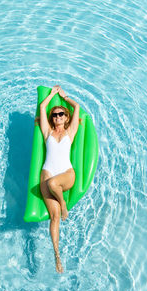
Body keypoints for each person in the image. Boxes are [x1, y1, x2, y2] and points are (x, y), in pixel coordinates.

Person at [39, 85, 80, 273]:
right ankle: (57, 256)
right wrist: (51, 95)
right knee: (54, 218)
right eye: (54, 115)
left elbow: (77, 106)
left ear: (67, 118)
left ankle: (62, 202)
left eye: (61, 115)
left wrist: (64, 97)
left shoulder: (70, 132)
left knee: (53, 183)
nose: (57, 117)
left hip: (65, 175)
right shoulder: (47, 131)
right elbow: (42, 108)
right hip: (47, 172)